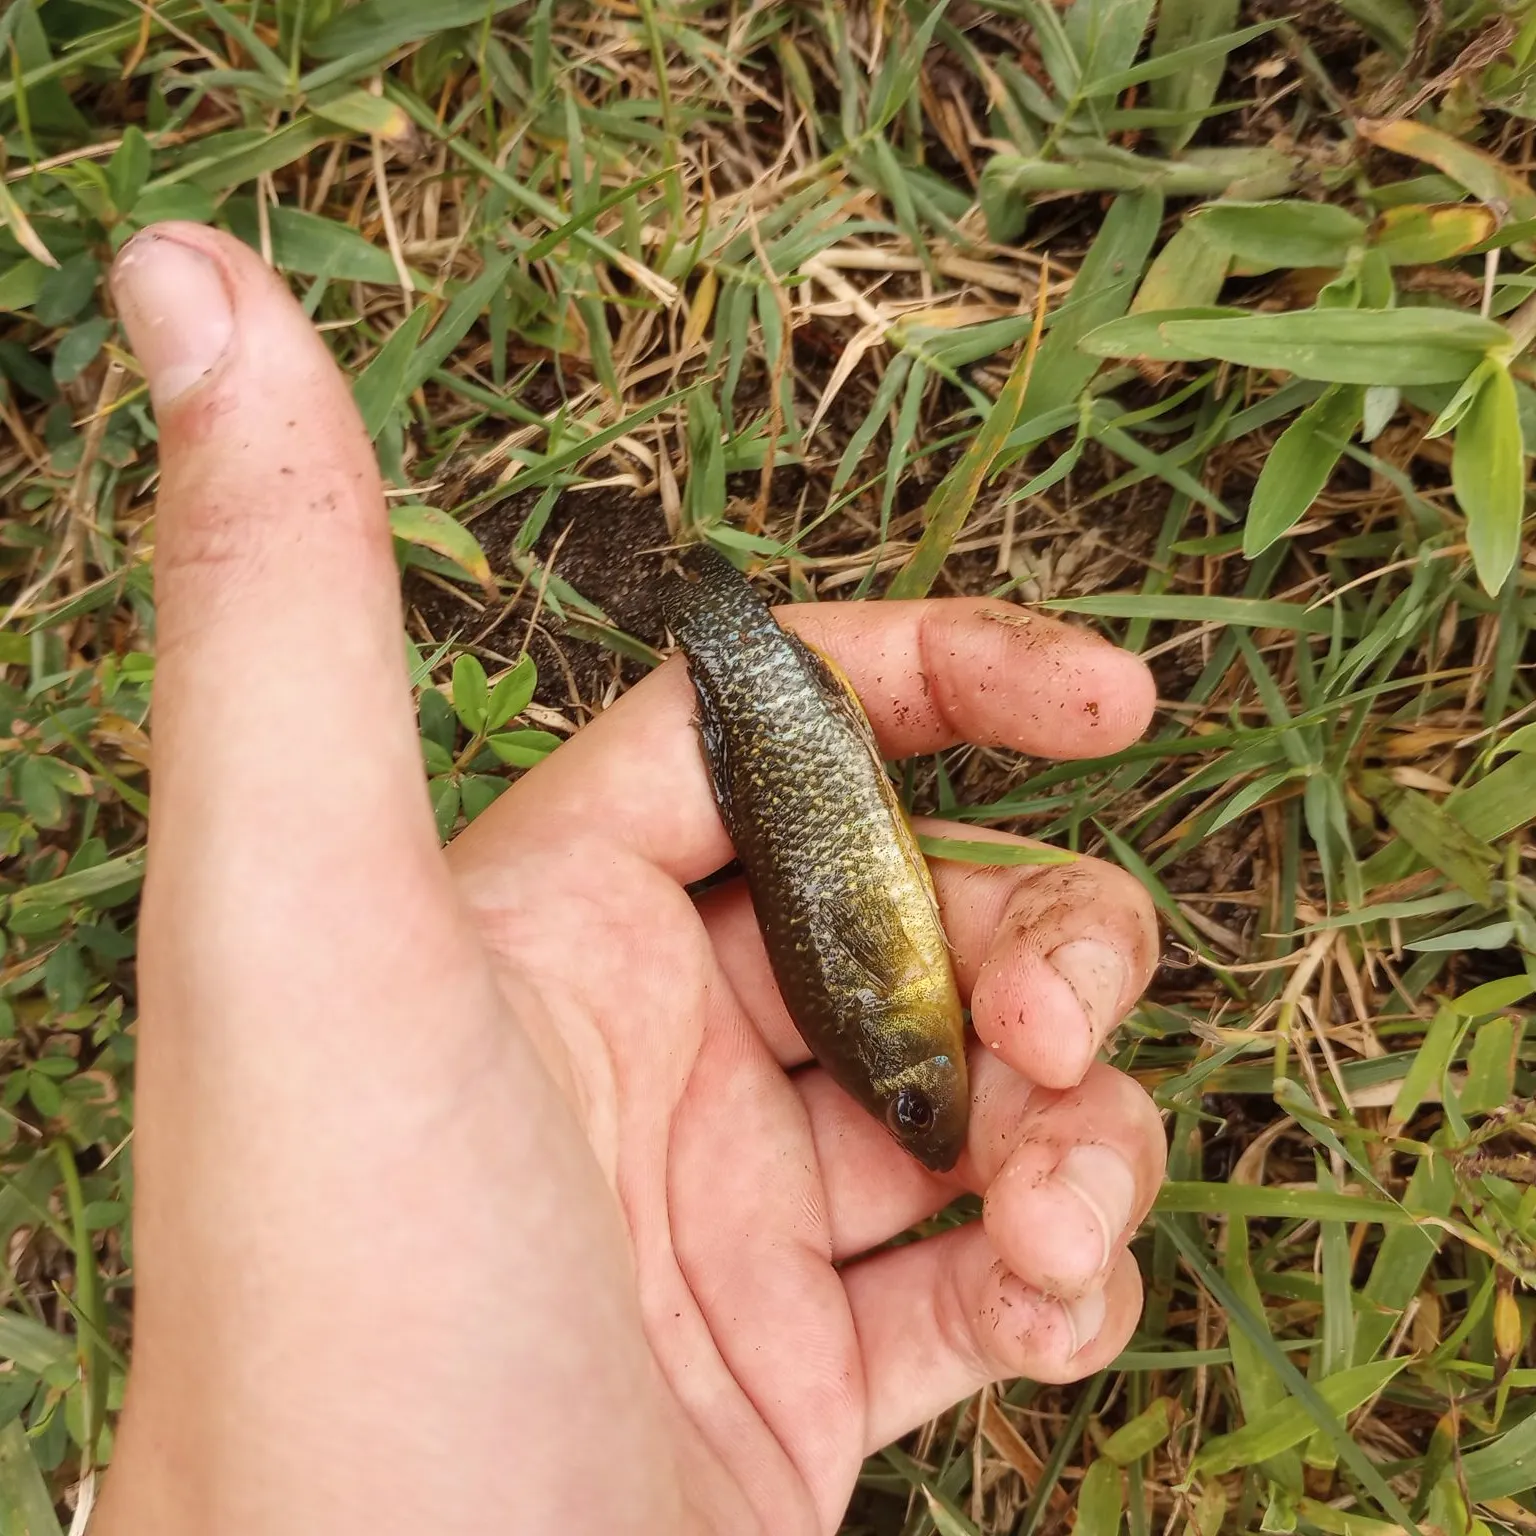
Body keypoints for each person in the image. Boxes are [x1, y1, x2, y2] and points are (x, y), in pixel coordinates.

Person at [90, 224, 1168, 1535]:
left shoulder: (882, 1027)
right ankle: (699, 591)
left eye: (910, 1094)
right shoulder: (899, 1027)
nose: (928, 1088)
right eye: (913, 1092)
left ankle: (696, 591)